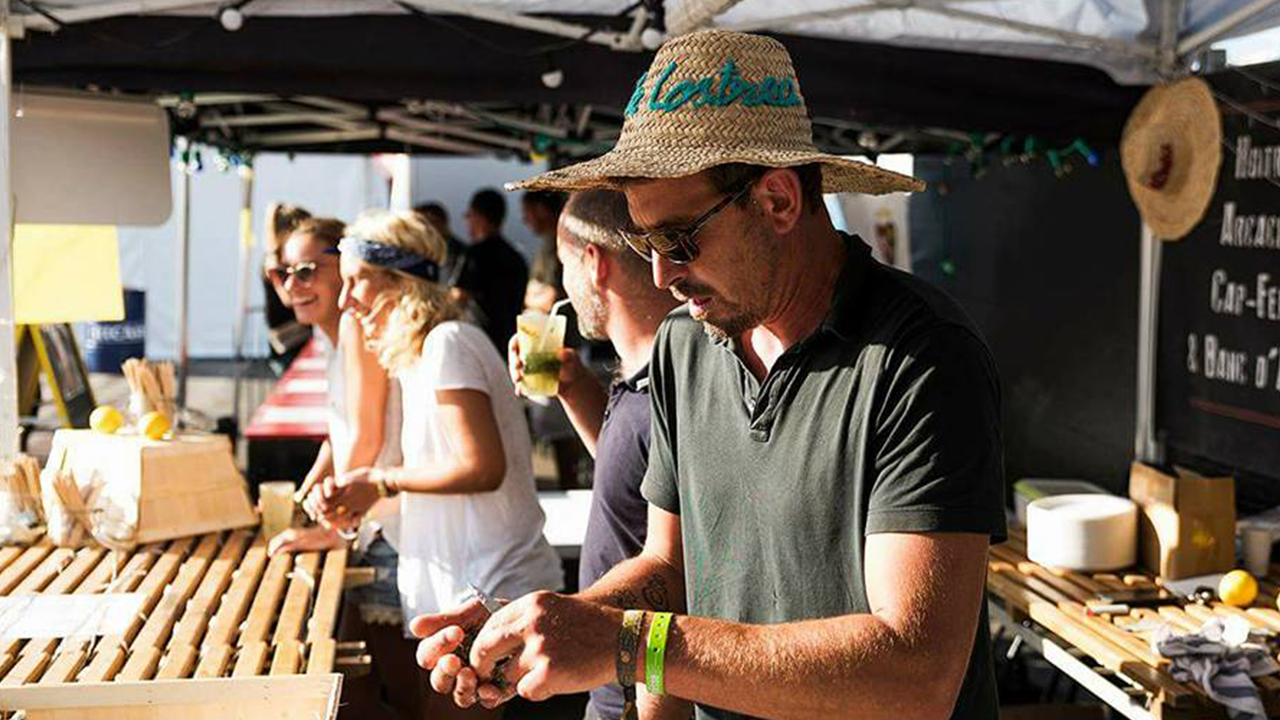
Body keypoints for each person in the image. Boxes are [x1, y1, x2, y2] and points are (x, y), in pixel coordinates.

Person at [413, 29, 1006, 720]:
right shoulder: (683, 348)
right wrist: (554, 623)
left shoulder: (921, 355)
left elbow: (915, 672)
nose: (662, 275)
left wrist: (624, 644)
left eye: (679, 239)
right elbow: (671, 572)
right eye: (644, 242)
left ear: (779, 200)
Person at [315, 210, 564, 720]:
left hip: (490, 590)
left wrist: (380, 482)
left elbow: (481, 466)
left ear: (401, 281)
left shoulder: (448, 343)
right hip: (465, 589)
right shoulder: (425, 354)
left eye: (356, 282)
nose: (345, 301)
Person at [507, 190, 678, 720]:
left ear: (593, 263)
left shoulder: (677, 386)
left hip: (640, 685)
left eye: (564, 267)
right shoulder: (644, 376)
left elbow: (680, 570)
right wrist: (572, 385)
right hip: (619, 677)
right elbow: (636, 480)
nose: (563, 287)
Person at [264, 217, 411, 719]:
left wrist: (333, 526)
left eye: (307, 270)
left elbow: (368, 434)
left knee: (394, 692)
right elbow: (343, 429)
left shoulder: (353, 324)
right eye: (281, 273)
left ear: (344, 269)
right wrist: (314, 488)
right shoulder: (334, 334)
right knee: (354, 685)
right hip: (371, 522)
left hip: (388, 529)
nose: (292, 286)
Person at [457, 188, 529, 352]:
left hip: (479, 343)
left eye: (468, 215)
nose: (467, 221)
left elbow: (458, 297)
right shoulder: (516, 257)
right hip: (510, 343)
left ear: (478, 216)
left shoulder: (474, 255)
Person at [261, 202, 313, 371]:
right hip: (288, 342)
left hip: (297, 337)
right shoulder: (274, 264)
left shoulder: (279, 260)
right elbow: (288, 298)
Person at [520, 191, 566, 314]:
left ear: (541, 210)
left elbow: (550, 298)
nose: (524, 219)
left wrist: (529, 298)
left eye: (526, 211)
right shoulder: (550, 242)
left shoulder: (556, 244)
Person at [414, 201, 469, 289]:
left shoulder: (462, 253)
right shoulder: (417, 252)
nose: (420, 229)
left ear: (440, 223)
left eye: (424, 223)